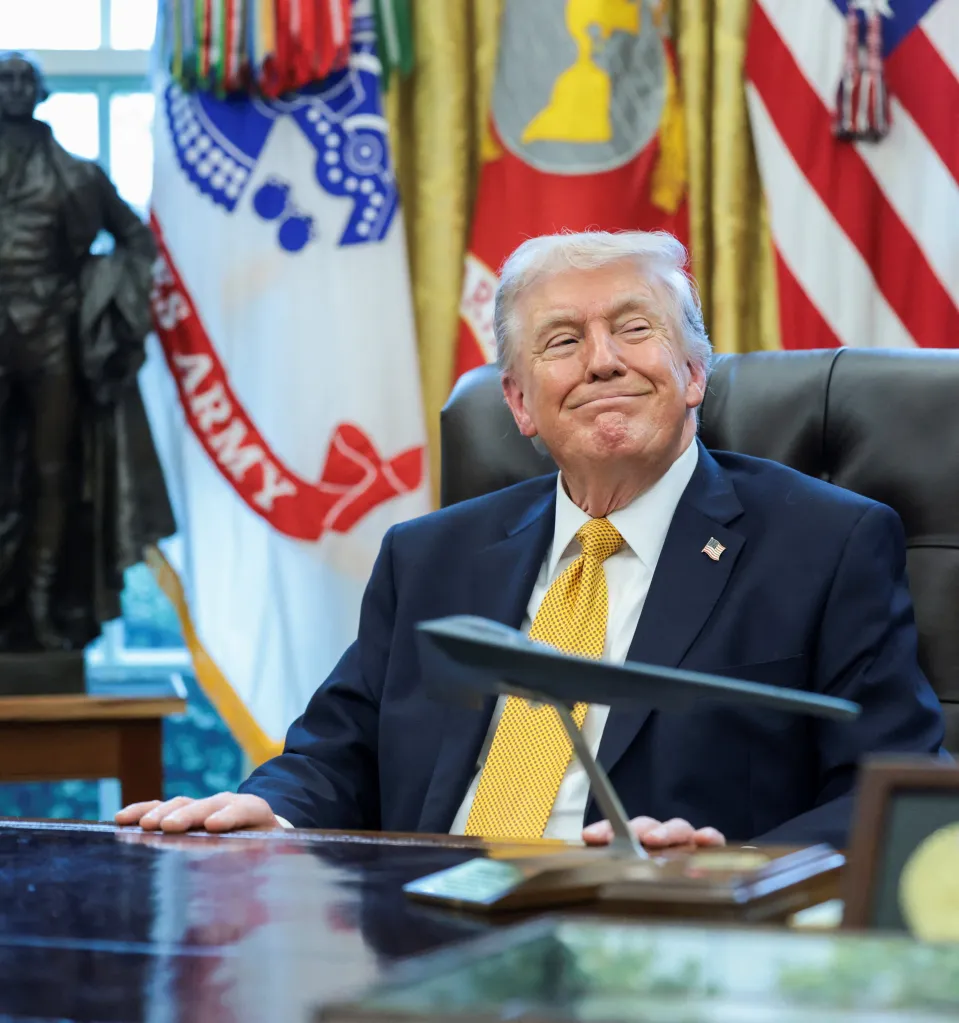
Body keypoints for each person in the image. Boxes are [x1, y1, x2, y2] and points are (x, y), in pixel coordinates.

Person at [117, 231, 945, 849]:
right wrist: (278, 803)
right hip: (428, 936)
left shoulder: (824, 543)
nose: (602, 362)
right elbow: (339, 749)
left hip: (660, 952)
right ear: (518, 403)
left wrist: (736, 871)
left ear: (693, 373)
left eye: (635, 329)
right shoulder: (429, 556)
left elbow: (890, 788)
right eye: (561, 342)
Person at [0, 52, 171, 651]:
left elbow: (135, 240)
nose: (17, 87)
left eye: (26, 78)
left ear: (41, 94)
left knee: (52, 477)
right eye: (6, 77)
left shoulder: (77, 174)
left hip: (51, 339)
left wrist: (99, 298)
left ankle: (43, 610)